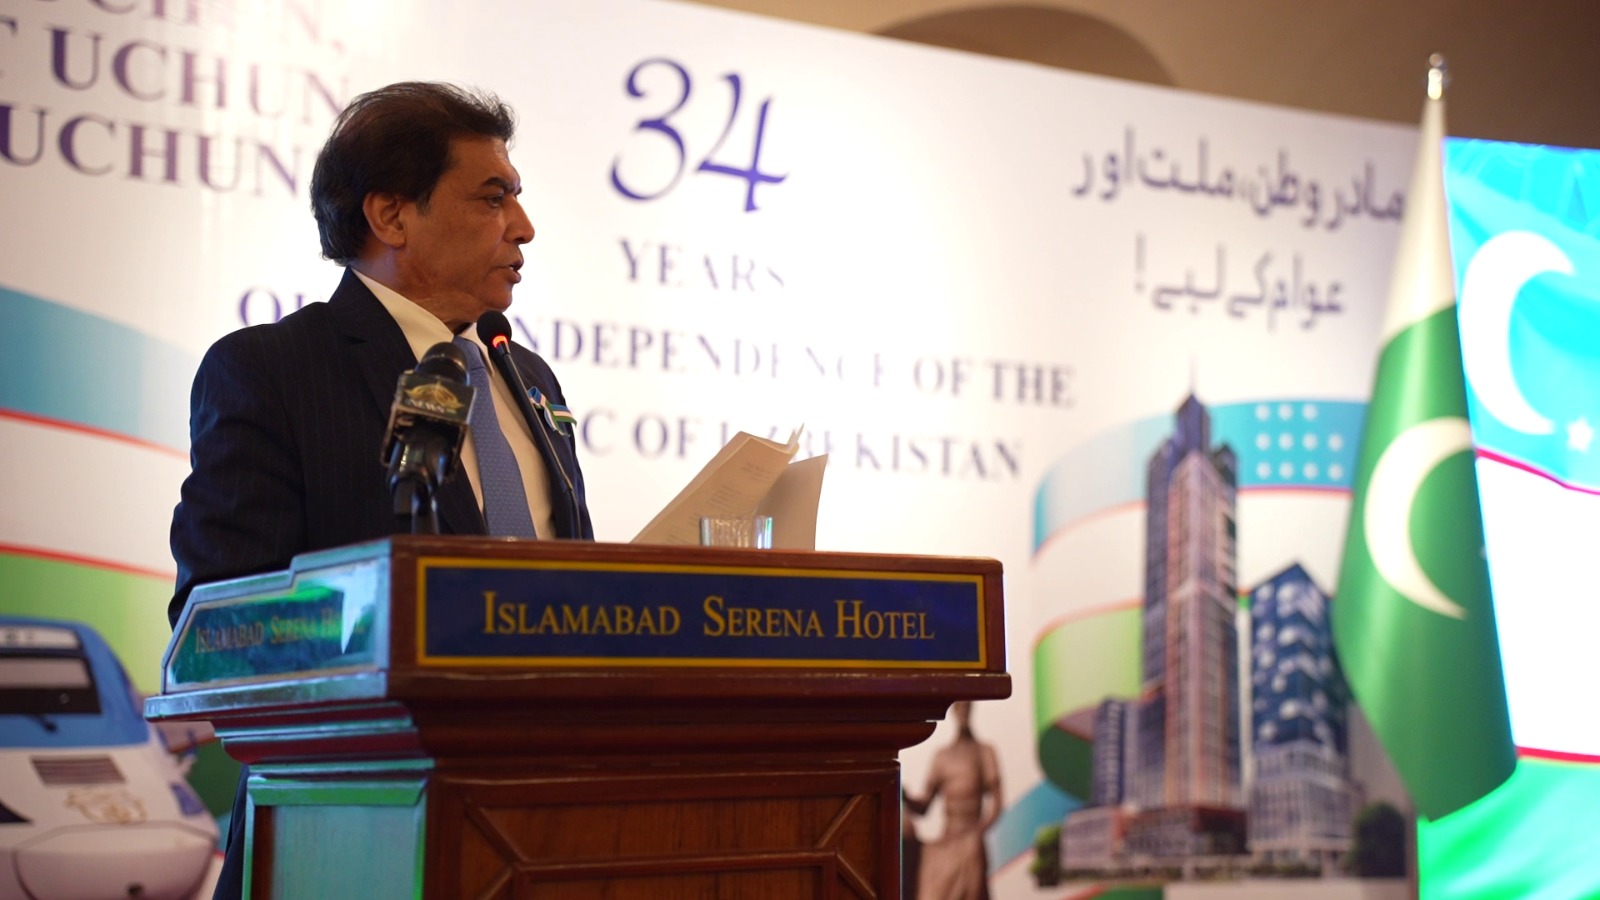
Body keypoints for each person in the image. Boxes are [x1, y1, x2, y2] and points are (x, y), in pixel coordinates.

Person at [168, 81, 595, 899]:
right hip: (346, 832)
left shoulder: (530, 377)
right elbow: (217, 624)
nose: (523, 226)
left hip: (541, 830)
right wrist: (397, 631)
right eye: (492, 197)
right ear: (392, 216)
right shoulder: (274, 370)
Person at [902, 701, 1002, 900]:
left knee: (971, 859)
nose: (963, 712)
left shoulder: (984, 752)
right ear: (954, 711)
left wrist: (978, 831)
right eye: (960, 707)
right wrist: (905, 796)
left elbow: (997, 802)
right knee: (928, 876)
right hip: (947, 837)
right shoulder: (942, 757)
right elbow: (924, 807)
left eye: (967, 707)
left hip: (970, 836)